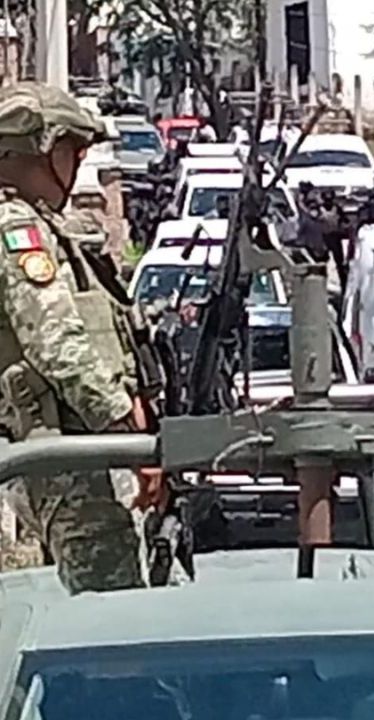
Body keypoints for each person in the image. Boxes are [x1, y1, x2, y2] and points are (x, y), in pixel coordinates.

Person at [0, 82, 150, 594]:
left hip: (80, 447)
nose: (79, 162)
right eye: (71, 150)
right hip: (68, 455)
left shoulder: (45, 224)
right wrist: (129, 432)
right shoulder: (17, 228)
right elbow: (56, 345)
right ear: (37, 148)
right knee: (112, 610)